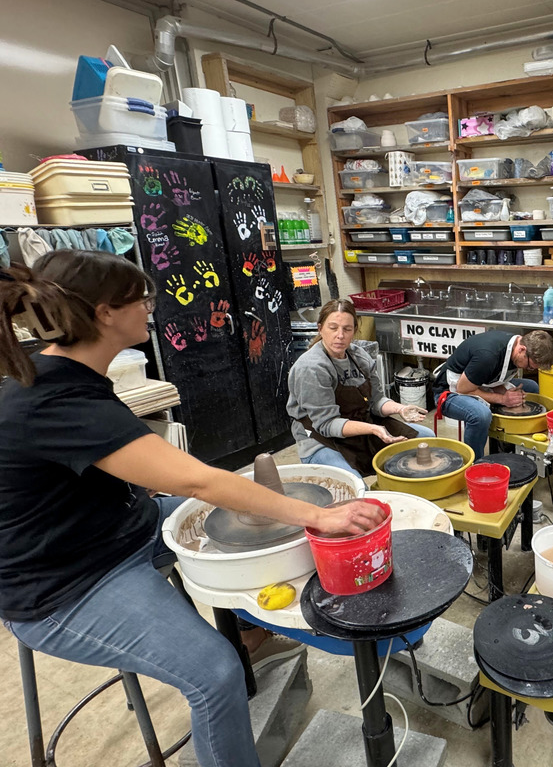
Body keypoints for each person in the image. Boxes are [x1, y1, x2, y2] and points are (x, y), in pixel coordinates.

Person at [0, 251, 388, 767]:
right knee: (214, 672)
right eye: (142, 298)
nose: (150, 309)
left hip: (119, 527)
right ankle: (235, 659)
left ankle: (253, 631)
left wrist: (280, 507)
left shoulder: (72, 375)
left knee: (254, 507)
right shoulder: (55, 400)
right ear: (105, 313)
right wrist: (319, 515)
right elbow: (197, 479)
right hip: (65, 583)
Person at [287, 299, 433, 482]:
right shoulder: (311, 368)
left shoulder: (359, 356)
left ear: (354, 331)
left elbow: (376, 402)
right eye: (333, 328)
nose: (340, 335)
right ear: (320, 328)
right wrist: (373, 428)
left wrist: (400, 409)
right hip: (320, 439)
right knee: (353, 484)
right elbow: (326, 425)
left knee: (428, 440)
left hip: (362, 424)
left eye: (347, 329)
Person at [432, 329, 553, 459]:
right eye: (530, 366)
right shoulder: (488, 355)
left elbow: (492, 375)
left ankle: (509, 450)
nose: (528, 369)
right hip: (450, 391)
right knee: (480, 415)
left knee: (531, 387)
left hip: (481, 382)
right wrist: (503, 399)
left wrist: (508, 393)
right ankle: (475, 464)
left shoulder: (515, 346)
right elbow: (463, 389)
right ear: (522, 349)